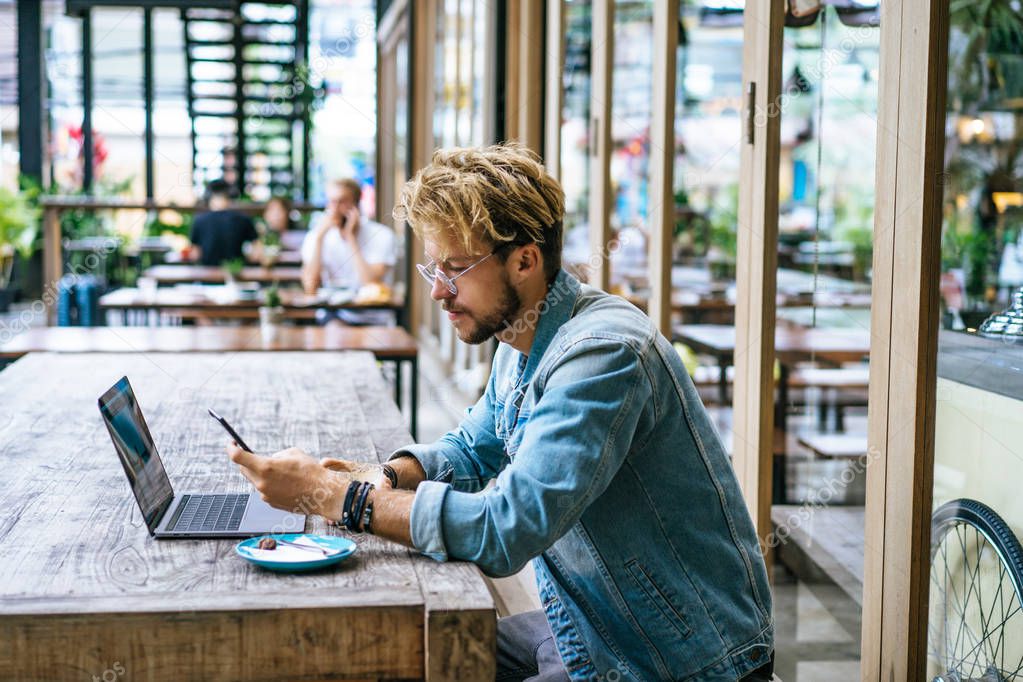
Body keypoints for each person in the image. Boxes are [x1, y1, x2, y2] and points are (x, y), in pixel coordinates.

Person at [227, 143, 774, 681]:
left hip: (674, 658)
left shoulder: (604, 354)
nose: (439, 292)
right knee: (392, 653)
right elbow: (473, 446)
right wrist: (387, 475)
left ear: (526, 260)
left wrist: (341, 499)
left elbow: (506, 528)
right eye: (433, 269)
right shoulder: (524, 336)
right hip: (590, 619)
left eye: (456, 268)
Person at [300, 178, 398, 324]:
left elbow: (370, 283)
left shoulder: (382, 235)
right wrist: (319, 239)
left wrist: (351, 238)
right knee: (337, 333)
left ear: (356, 205)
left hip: (375, 316)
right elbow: (310, 287)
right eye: (331, 202)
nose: (335, 209)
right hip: (336, 314)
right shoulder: (316, 237)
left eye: (342, 202)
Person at [189, 179, 258, 266]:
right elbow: (256, 253)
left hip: (207, 275)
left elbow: (195, 255)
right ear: (229, 197)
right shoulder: (243, 219)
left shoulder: (199, 220)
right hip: (235, 273)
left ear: (208, 198)